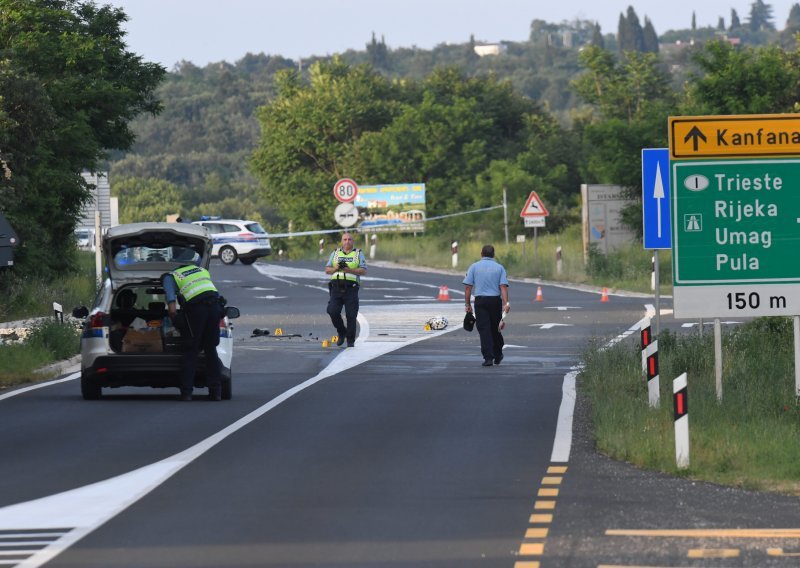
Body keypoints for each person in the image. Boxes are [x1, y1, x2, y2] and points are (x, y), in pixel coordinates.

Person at [163, 262, 224, 401]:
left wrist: (176, 322)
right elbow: (216, 295)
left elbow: (172, 309)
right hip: (214, 308)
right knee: (210, 349)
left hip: (197, 310)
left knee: (191, 349)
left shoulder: (170, 277)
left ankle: (187, 393)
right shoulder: (201, 270)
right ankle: (216, 392)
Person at [463, 244, 510, 367]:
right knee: (495, 329)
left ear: (481, 254)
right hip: (495, 301)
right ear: (493, 255)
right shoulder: (500, 268)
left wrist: (467, 304)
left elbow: (468, 287)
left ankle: (488, 358)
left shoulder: (474, 267)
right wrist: (506, 303)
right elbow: (503, 287)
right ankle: (498, 354)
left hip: (481, 302)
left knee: (484, 330)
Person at [325, 232, 367, 347]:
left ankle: (350, 340)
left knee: (351, 315)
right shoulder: (335, 253)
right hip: (336, 287)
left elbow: (363, 270)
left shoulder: (358, 253)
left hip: (351, 289)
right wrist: (335, 268)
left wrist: (350, 270)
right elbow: (327, 270)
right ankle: (341, 331)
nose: (347, 241)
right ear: (341, 241)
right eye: (345, 239)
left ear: (352, 241)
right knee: (332, 311)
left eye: (349, 239)